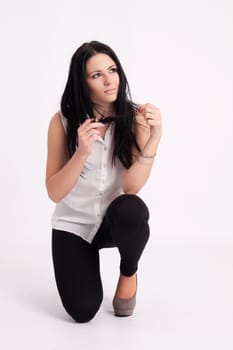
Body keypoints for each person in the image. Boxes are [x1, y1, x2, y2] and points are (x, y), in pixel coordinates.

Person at [45, 40, 162, 323]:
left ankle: (128, 272)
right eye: (97, 75)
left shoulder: (133, 119)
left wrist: (154, 139)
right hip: (74, 224)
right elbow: (54, 191)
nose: (110, 80)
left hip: (113, 221)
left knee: (132, 210)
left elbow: (131, 188)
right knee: (83, 311)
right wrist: (82, 151)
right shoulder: (61, 123)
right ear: (82, 83)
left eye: (113, 70)